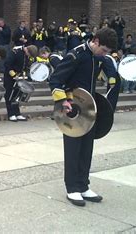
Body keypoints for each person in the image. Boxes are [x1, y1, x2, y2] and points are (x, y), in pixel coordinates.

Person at [49, 27, 118, 206]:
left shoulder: (96, 57)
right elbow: (55, 80)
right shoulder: (76, 54)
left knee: (86, 149)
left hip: (89, 108)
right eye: (103, 50)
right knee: (73, 150)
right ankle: (72, 188)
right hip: (71, 109)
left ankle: (83, 185)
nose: (104, 54)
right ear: (95, 41)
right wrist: (63, 101)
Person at [3, 45, 37, 122]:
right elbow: (7, 64)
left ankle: (17, 113)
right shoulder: (15, 51)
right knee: (9, 95)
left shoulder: (25, 55)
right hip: (10, 76)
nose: (29, 56)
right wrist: (14, 75)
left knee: (16, 95)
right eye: (29, 54)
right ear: (27, 50)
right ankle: (11, 114)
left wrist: (23, 73)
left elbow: (24, 65)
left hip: (19, 76)